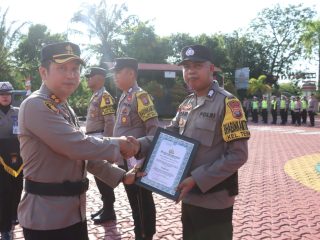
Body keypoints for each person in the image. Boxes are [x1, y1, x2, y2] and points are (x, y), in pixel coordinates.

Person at [17, 42, 142, 240]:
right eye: (62, 68)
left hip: (74, 213)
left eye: (75, 69)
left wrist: (121, 176)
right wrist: (120, 143)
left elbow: (83, 156)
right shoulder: (35, 105)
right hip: (47, 218)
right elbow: (76, 146)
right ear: (43, 72)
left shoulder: (63, 107)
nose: (71, 75)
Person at [134, 45, 250, 240]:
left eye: (197, 65)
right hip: (188, 195)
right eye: (186, 67)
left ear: (211, 68)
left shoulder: (228, 103)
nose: (191, 71)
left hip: (214, 200)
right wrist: (138, 145)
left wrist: (197, 179)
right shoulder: (187, 103)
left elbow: (238, 155)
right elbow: (167, 134)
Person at [111, 57, 159, 240]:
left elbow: (153, 131)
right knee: (134, 201)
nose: (115, 76)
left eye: (118, 72)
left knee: (142, 201)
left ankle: (145, 235)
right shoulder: (125, 95)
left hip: (138, 161)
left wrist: (141, 158)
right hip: (126, 160)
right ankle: (140, 232)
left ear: (131, 73)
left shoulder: (141, 96)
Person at [85, 66, 117, 224]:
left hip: (100, 139)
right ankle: (106, 206)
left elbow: (110, 121)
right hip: (94, 140)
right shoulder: (96, 95)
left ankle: (109, 210)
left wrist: (107, 145)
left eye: (90, 76)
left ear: (100, 77)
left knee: (104, 176)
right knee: (99, 176)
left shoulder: (104, 96)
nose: (87, 79)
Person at [0, 82, 23, 240]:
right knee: (3, 193)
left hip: (18, 158)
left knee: (17, 190)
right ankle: (4, 228)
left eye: (8, 94)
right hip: (1, 159)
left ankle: (13, 215)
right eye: (2, 94)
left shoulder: (19, 112)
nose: (5, 97)